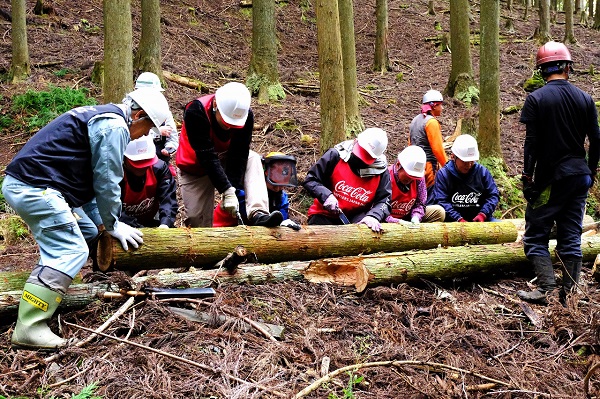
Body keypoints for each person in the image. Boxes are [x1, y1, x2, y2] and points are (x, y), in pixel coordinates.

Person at [1, 87, 171, 350]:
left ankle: (77, 284)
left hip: (39, 186)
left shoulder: (103, 117)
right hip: (35, 188)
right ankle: (29, 326)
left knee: (89, 232)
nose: (146, 135)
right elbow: (107, 181)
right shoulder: (115, 127)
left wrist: (104, 225)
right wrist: (114, 223)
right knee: (70, 250)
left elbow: (92, 187)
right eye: (147, 129)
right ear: (137, 115)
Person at [517, 41, 600, 305]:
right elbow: (596, 141)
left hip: (551, 178)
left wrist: (527, 177)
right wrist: (592, 171)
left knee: (535, 234)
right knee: (570, 236)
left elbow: (531, 144)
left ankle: (547, 289)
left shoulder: (536, 99)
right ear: (567, 67)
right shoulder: (585, 99)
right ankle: (570, 294)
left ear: (542, 71)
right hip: (579, 176)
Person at [176, 82, 283, 228]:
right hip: (195, 167)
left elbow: (239, 154)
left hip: (223, 159)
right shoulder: (196, 111)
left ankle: (259, 213)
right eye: (227, 121)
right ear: (215, 105)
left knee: (252, 158)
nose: (230, 127)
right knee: (197, 221)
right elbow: (206, 156)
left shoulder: (246, 115)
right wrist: (226, 190)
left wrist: (233, 188)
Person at [303, 128, 391, 232]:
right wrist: (326, 196)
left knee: (367, 233)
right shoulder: (335, 156)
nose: (361, 160)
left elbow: (385, 200)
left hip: (358, 218)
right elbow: (311, 180)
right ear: (355, 141)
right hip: (323, 214)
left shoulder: (381, 171)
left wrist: (374, 216)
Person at [213, 151, 300, 230]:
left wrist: (284, 223)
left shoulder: (282, 197)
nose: (278, 188)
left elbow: (281, 216)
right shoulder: (246, 192)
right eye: (274, 184)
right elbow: (246, 217)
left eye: (282, 185)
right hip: (221, 229)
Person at [430, 134, 499, 223]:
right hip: (452, 223)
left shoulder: (482, 172)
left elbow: (493, 195)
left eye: (472, 161)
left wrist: (483, 214)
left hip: (480, 221)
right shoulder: (444, 175)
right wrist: (458, 219)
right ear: (453, 157)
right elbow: (441, 200)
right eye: (465, 162)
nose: (469, 165)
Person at [119, 134, 178, 229]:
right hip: (124, 225)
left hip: (150, 219)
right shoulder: (116, 175)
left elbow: (168, 198)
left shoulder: (159, 169)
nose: (142, 167)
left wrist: (165, 223)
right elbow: (113, 209)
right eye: (138, 163)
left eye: (146, 162)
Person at [385, 145, 445, 225]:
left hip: (409, 216)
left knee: (439, 212)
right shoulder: (386, 177)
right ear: (398, 165)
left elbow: (420, 203)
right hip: (387, 220)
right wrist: (397, 222)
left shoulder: (418, 177)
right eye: (409, 176)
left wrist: (416, 216)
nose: (411, 180)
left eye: (414, 177)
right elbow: (378, 209)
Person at [409, 89, 448, 195]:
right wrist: (448, 166)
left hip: (413, 166)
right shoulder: (431, 122)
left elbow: (410, 144)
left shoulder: (415, 120)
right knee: (429, 196)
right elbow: (437, 149)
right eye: (440, 105)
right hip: (428, 167)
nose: (442, 108)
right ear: (434, 106)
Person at [135, 72, 179, 164]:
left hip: (160, 160)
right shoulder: (133, 111)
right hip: (139, 159)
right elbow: (132, 137)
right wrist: (157, 132)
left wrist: (169, 147)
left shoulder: (162, 107)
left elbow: (172, 135)